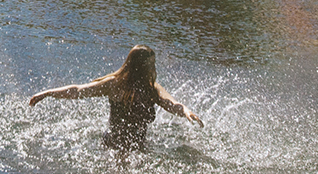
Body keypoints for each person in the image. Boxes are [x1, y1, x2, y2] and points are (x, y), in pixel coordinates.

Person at [28, 45, 202, 150]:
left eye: (153, 64)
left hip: (139, 147)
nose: (153, 68)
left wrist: (186, 111)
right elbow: (78, 90)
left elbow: (170, 103)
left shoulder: (152, 88)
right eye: (149, 65)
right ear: (137, 66)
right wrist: (47, 93)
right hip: (113, 144)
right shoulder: (114, 84)